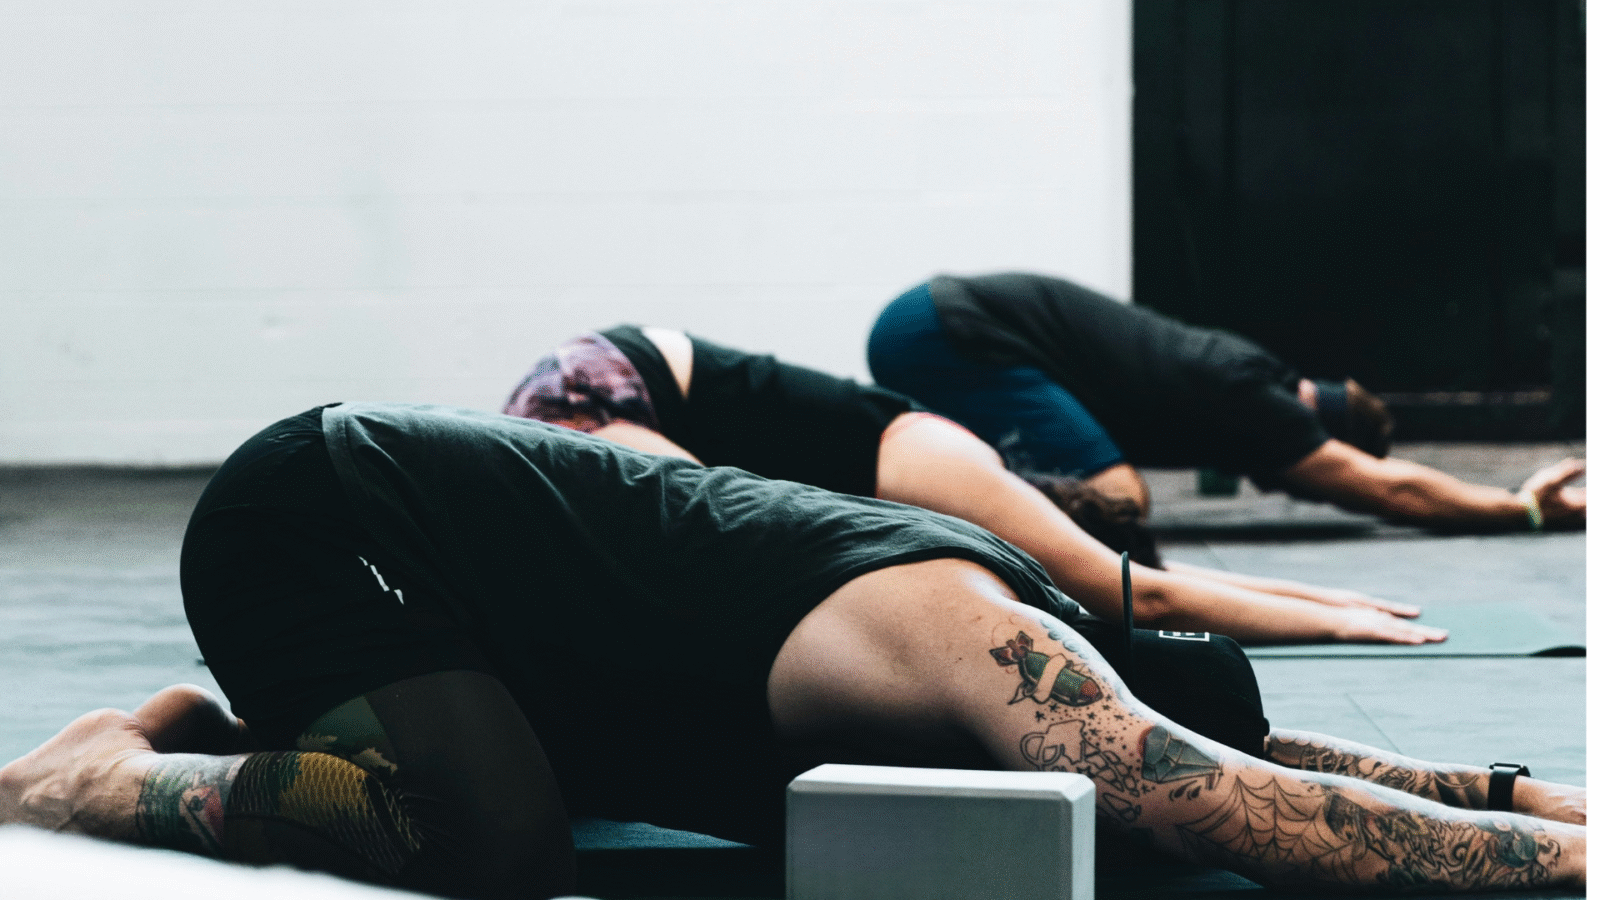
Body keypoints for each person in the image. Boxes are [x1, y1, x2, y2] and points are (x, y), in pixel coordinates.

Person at [0, 402, 1584, 899]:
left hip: (490, 620)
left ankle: (234, 736)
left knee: (517, 798)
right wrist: (1568, 868)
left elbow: (1254, 757)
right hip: (321, 515)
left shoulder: (1029, 683)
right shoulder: (969, 634)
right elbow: (1201, 793)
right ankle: (107, 775)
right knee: (495, 847)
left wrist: (1517, 789)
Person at [503, 326, 1441, 646]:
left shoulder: (937, 482)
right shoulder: (949, 464)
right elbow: (1137, 594)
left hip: (603, 384)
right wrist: (1342, 622)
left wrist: (1334, 597)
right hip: (600, 388)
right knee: (682, 536)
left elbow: (1148, 580)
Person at [867, 272, 1586, 532]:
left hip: (934, 320)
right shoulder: (1254, 401)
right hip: (947, 330)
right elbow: (1388, 489)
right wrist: (1520, 508)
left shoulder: (1241, 369)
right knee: (1119, 501)